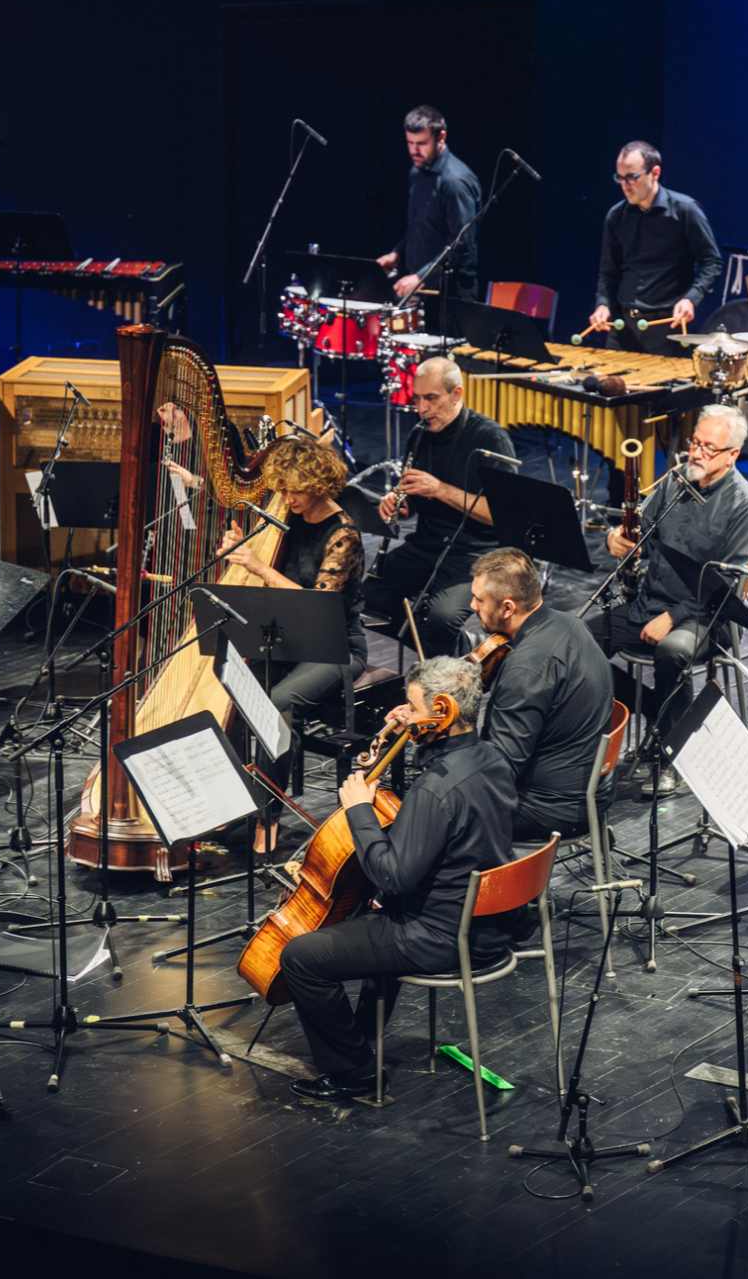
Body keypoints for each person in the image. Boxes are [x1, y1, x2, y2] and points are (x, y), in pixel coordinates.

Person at [278, 655, 524, 1102]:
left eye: (413, 707)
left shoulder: (435, 790)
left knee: (300, 957)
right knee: (374, 918)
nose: (406, 716)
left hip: (439, 937)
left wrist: (358, 809)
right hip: (489, 925)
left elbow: (393, 876)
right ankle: (361, 1040)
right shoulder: (492, 758)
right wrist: (409, 725)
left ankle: (353, 1072)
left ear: (443, 711)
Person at [589, 405, 748, 796]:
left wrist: (673, 616)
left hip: (709, 616)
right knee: (576, 642)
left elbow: (727, 585)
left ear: (732, 455)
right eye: (695, 442)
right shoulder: (675, 483)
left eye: (709, 447)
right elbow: (642, 535)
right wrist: (616, 540)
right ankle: (661, 716)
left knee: (671, 652)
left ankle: (673, 755)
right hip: (650, 602)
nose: (697, 453)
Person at [217, 437, 366, 852]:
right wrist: (237, 551)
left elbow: (318, 605)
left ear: (318, 484)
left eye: (294, 490)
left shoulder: (344, 535)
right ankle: (225, 802)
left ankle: (269, 818)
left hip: (335, 646)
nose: (286, 498)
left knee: (278, 702)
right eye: (281, 489)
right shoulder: (285, 518)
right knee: (230, 687)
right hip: (285, 639)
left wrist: (259, 566)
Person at [364, 356, 515, 658]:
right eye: (417, 399)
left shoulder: (489, 438)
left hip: (476, 553)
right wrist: (401, 503)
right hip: (428, 545)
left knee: (441, 618)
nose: (421, 409)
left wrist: (441, 490)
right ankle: (459, 652)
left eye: (431, 399)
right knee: (369, 599)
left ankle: (451, 659)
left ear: (456, 393)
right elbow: (417, 503)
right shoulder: (419, 434)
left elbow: (504, 515)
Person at [466, 547, 612, 843]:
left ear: (508, 608)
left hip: (548, 809)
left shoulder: (526, 668)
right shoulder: (570, 623)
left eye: (480, 600)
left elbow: (501, 769)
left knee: (436, 812)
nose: (472, 605)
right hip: (589, 790)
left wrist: (447, 740)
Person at [590, 140, 722, 355]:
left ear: (655, 173)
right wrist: (603, 304)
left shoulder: (685, 210)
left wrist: (691, 298)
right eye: (620, 178)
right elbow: (608, 271)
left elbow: (712, 262)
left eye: (632, 177)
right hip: (622, 328)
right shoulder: (616, 216)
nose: (625, 185)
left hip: (666, 328)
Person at [377, 105, 480, 314]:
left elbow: (461, 245)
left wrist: (420, 276)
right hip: (421, 286)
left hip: (451, 295)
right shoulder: (417, 171)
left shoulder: (455, 182)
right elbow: (420, 225)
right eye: (410, 143)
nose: (414, 151)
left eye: (422, 143)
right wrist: (397, 252)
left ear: (441, 137)